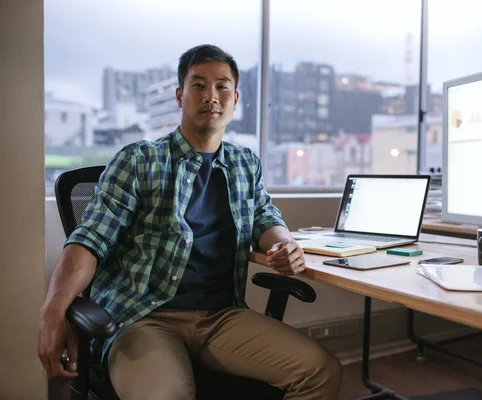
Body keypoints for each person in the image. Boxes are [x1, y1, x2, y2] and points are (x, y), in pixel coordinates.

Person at [38, 44, 342, 400]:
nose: (211, 96)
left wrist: (282, 242)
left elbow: (265, 216)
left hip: (221, 318)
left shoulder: (245, 163)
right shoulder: (140, 160)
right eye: (198, 85)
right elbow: (88, 241)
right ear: (180, 96)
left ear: (235, 97)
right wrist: (53, 310)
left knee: (321, 372)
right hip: (142, 317)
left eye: (222, 86)